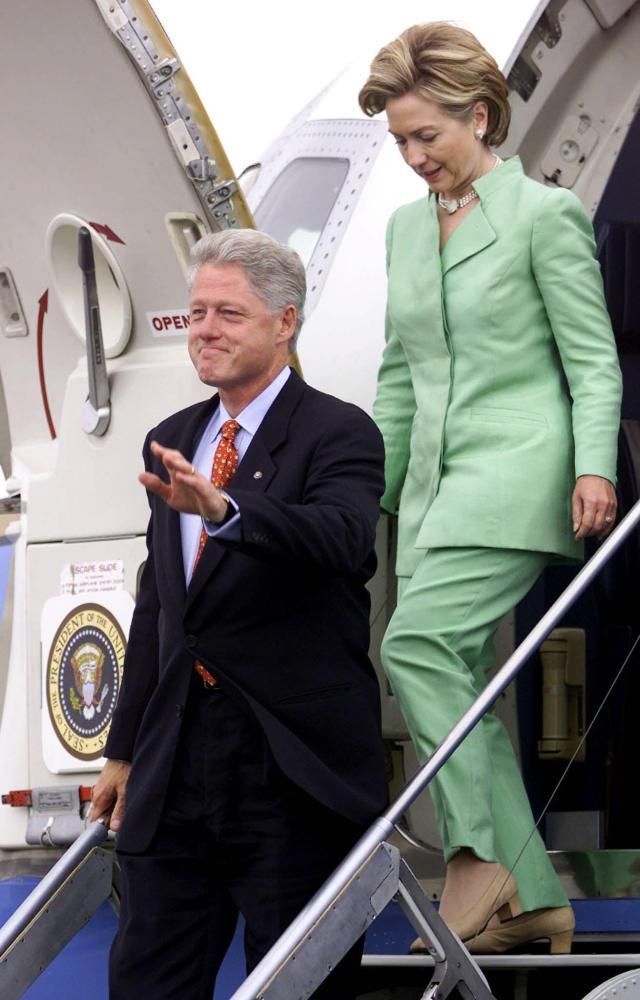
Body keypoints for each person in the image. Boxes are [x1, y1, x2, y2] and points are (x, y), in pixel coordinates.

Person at [358, 22, 622, 954]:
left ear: (480, 115)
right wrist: (365, 497)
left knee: (416, 647)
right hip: (431, 488)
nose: (413, 156)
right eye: (399, 141)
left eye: (427, 135)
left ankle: (481, 856)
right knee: (454, 678)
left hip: (515, 471)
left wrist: (595, 465)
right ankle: (536, 889)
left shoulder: (543, 216)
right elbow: (398, 376)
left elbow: (592, 362)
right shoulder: (400, 230)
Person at [90, 228, 388, 998]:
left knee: (298, 986)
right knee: (148, 980)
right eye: (195, 314)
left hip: (288, 768)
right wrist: (124, 751)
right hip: (177, 762)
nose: (205, 332)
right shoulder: (173, 438)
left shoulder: (338, 430)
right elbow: (160, 608)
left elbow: (345, 539)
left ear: (284, 323)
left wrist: (225, 508)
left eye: (228, 313)